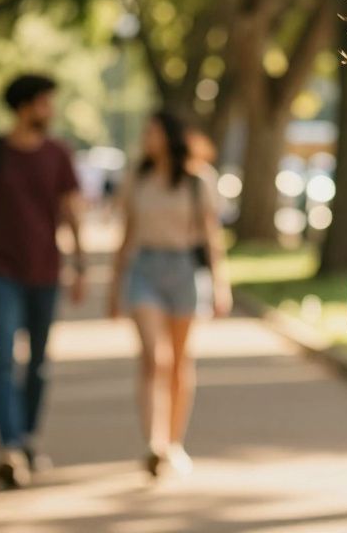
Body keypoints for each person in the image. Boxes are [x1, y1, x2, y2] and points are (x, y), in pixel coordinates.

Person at [0, 73, 87, 489]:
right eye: (45, 103)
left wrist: (80, 264)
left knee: (39, 364)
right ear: (24, 107)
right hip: (0, 270)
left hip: (45, 270)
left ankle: (27, 437)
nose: (50, 111)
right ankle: (8, 446)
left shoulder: (58, 155)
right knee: (5, 359)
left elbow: (71, 211)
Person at [108, 111, 232, 478]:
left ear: (170, 136)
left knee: (180, 361)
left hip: (184, 270)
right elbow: (127, 234)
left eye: (153, 131)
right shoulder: (137, 176)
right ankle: (153, 443)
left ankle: (174, 443)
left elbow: (212, 237)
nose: (147, 138)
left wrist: (220, 283)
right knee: (153, 357)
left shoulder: (199, 180)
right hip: (145, 268)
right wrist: (115, 286)